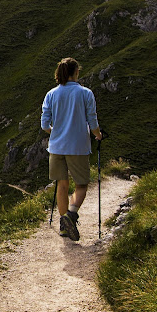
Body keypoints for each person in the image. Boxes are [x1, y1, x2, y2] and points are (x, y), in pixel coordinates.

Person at [40, 57, 102, 241]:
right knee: (82, 185)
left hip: (56, 146)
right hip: (78, 146)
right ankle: (71, 215)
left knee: (62, 184)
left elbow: (44, 124)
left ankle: (63, 226)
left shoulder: (51, 94)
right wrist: (98, 135)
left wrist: (56, 132)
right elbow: (92, 121)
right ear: (76, 72)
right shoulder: (85, 93)